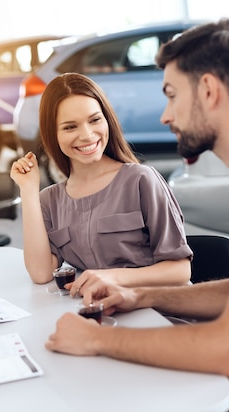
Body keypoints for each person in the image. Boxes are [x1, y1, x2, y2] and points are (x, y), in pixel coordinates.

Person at [45, 19, 229, 412]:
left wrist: (96, 341)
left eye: (171, 95)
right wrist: (141, 295)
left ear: (208, 90)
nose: (165, 116)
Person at [10, 72, 192, 290]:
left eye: (94, 120)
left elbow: (180, 270)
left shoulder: (141, 180)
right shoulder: (49, 200)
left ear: (107, 120)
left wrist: (112, 278)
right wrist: (28, 191)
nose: (87, 135)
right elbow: (41, 273)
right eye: (70, 127)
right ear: (53, 135)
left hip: (159, 312)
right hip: (103, 314)